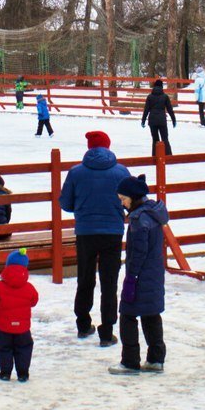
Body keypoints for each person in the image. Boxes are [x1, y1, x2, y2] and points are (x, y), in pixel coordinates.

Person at [60, 130, 131, 346]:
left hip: (86, 231)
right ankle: (107, 331)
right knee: (109, 282)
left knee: (85, 278)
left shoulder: (76, 172)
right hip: (112, 231)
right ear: (108, 146)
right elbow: (130, 200)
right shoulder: (121, 172)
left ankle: (83, 324)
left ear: (89, 147)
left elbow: (65, 203)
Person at [109, 174, 169, 375]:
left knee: (127, 315)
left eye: (123, 199)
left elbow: (138, 253)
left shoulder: (138, 220)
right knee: (151, 314)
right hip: (154, 274)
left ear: (133, 198)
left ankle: (130, 361)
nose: (122, 203)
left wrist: (131, 277)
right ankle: (156, 359)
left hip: (141, 275)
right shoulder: (152, 213)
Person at [0, 249, 39, 382]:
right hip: (23, 329)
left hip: (3, 328)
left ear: (7, 266)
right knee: (24, 349)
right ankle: (23, 373)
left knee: (4, 349)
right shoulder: (29, 287)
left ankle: (5, 373)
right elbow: (34, 301)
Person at [140, 79, 177, 155]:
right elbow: (170, 109)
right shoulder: (165, 97)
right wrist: (174, 120)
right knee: (165, 138)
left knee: (155, 139)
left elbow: (146, 110)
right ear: (162, 86)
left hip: (152, 120)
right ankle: (168, 155)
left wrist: (143, 120)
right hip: (162, 120)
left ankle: (155, 155)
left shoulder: (150, 97)